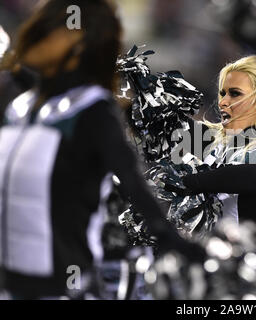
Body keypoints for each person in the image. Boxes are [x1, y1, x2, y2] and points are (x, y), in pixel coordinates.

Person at [0, 0, 202, 299]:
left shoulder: (91, 109)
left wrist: (174, 242)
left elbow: (133, 181)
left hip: (62, 285)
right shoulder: (20, 107)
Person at [172, 56, 256, 299]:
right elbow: (159, 136)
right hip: (202, 286)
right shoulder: (210, 141)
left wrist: (186, 183)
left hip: (253, 291)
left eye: (235, 94)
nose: (223, 102)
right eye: (222, 93)